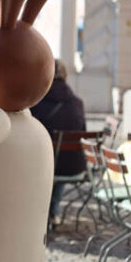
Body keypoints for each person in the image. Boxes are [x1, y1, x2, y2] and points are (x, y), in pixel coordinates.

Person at [30, 59, 86, 227]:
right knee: (60, 159)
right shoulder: (77, 102)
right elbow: (83, 133)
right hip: (73, 165)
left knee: (49, 161)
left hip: (41, 164)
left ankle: (42, 213)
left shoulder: (36, 102)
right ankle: (53, 211)